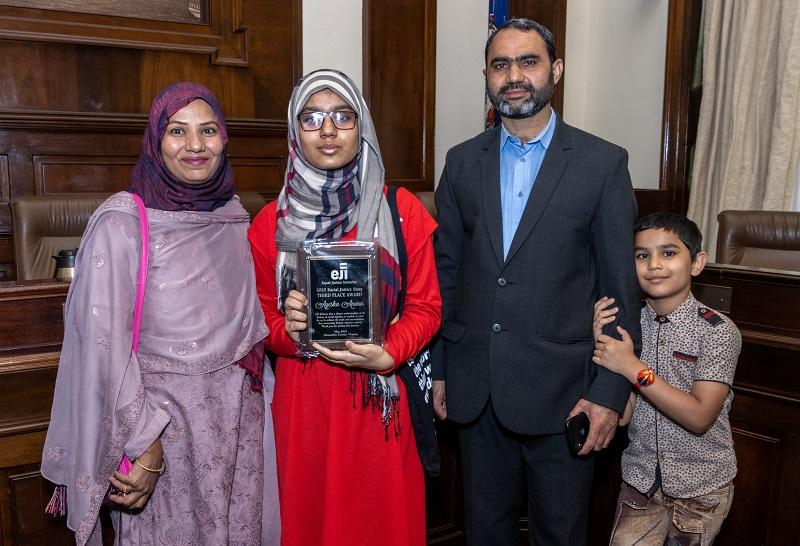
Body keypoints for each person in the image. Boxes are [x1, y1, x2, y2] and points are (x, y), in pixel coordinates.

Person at [41, 82, 279, 546]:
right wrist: (143, 442)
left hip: (238, 428)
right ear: (156, 140)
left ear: (224, 139)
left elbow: (249, 334)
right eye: (177, 131)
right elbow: (103, 349)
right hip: (166, 431)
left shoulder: (233, 215)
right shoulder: (123, 221)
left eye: (208, 130)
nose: (195, 145)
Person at [432, 18, 642, 545]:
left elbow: (620, 287)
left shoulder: (602, 163)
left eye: (529, 61)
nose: (514, 76)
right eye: (501, 65)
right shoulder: (460, 163)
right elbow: (447, 275)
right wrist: (441, 370)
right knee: (485, 533)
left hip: (566, 396)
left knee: (562, 534)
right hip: (476, 390)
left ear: (557, 70)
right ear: (487, 76)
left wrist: (609, 394)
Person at [248, 69, 441, 546]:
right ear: (295, 131)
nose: (328, 130)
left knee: (380, 525)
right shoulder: (270, 222)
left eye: (342, 116)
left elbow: (427, 307)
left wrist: (390, 351)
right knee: (308, 524)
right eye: (312, 118)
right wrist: (288, 332)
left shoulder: (401, 210)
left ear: (363, 127)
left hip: (378, 402)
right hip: (304, 407)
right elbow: (258, 322)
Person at [593, 213, 740, 545]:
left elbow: (700, 416)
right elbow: (624, 416)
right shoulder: (629, 325)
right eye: (642, 255)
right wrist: (600, 342)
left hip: (701, 489)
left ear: (697, 262)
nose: (654, 264)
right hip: (640, 482)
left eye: (668, 253)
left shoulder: (717, 332)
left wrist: (632, 367)